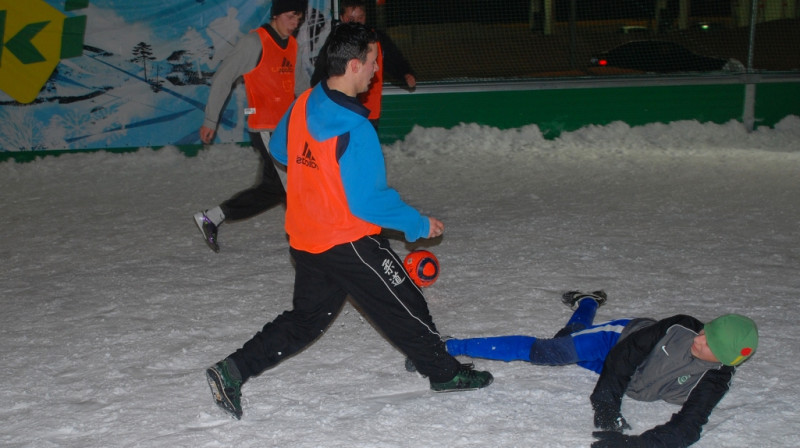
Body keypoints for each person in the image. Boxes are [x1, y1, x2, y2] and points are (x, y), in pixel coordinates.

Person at [204, 22, 492, 420]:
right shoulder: (357, 129)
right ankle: (443, 372)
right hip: (349, 242)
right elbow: (369, 202)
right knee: (404, 300)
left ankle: (231, 370)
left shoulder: (305, 101)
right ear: (355, 65)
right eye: (374, 62)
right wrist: (419, 225)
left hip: (306, 239)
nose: (377, 70)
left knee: (306, 320)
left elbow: (285, 151)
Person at [442, 291, 759, 448]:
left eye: (709, 342)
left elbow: (688, 428)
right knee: (548, 352)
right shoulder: (680, 327)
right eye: (706, 329)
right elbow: (625, 356)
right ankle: (449, 346)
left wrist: (633, 445)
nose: (700, 336)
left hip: (632, 380)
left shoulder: (714, 380)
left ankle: (587, 302)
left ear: (722, 360)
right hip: (616, 341)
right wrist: (607, 402)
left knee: (564, 342)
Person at [193, 0, 307, 253]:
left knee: (273, 188)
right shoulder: (254, 42)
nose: (295, 23)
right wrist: (211, 119)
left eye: (298, 18)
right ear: (276, 15)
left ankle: (213, 217)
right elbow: (224, 76)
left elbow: (300, 87)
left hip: (287, 128)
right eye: (291, 16)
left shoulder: (293, 45)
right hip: (266, 129)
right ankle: (309, 243)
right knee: (292, 186)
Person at [310, 0, 416, 129]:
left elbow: (393, 59)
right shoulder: (336, 41)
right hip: (343, 109)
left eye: (360, 18)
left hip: (370, 111)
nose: (356, 22)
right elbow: (322, 69)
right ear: (342, 18)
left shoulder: (375, 38)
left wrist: (405, 74)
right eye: (351, 18)